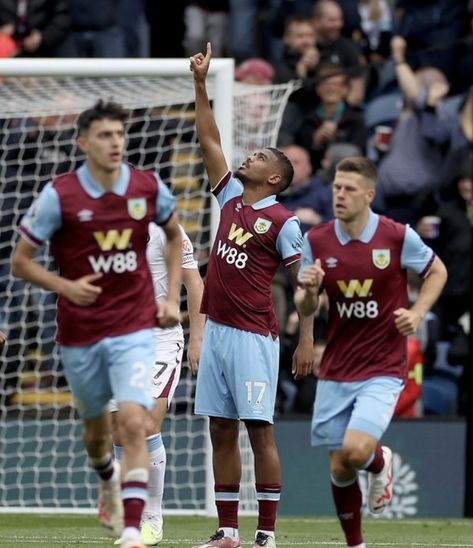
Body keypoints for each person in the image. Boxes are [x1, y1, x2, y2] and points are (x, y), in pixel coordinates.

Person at [11, 100, 183, 548]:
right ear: (83, 141)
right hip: (81, 329)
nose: (115, 143)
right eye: (105, 135)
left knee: (135, 422)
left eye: (120, 135)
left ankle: (133, 530)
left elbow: (176, 239)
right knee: (97, 434)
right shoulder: (59, 196)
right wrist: (65, 287)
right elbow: (21, 263)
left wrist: (169, 299)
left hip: (135, 327)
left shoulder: (148, 188)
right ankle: (107, 476)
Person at [190, 43, 314, 548]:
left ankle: (266, 533)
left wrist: (306, 339)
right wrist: (199, 85)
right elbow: (208, 138)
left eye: (260, 157)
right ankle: (227, 531)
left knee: (258, 430)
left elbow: (307, 284)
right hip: (217, 329)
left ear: (276, 178)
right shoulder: (229, 199)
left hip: (253, 336)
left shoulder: (284, 222)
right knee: (221, 428)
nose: (250, 156)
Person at [294, 157, 447, 548]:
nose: (339, 196)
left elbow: (437, 271)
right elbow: (307, 307)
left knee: (356, 449)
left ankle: (380, 461)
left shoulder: (397, 236)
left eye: (348, 189)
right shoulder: (317, 241)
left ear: (369, 194)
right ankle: (356, 545)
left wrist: (417, 312)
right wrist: (310, 292)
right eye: (335, 188)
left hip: (383, 364)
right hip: (337, 367)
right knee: (340, 465)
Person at [108, 222, 205, 546]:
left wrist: (197, 340)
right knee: (119, 430)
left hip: (159, 339)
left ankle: (151, 517)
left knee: (146, 423)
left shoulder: (167, 228)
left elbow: (194, 283)